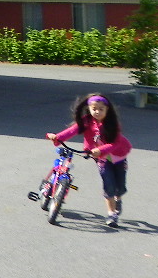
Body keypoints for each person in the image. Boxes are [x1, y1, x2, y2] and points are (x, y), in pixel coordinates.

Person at [47, 93, 132, 228]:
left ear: (107, 110)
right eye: (94, 109)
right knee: (109, 184)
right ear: (89, 109)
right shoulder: (87, 121)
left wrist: (101, 149)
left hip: (119, 158)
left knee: (120, 187)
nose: (97, 112)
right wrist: (57, 137)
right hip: (102, 160)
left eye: (101, 109)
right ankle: (111, 214)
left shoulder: (113, 124)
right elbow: (72, 131)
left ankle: (118, 198)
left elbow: (115, 143)